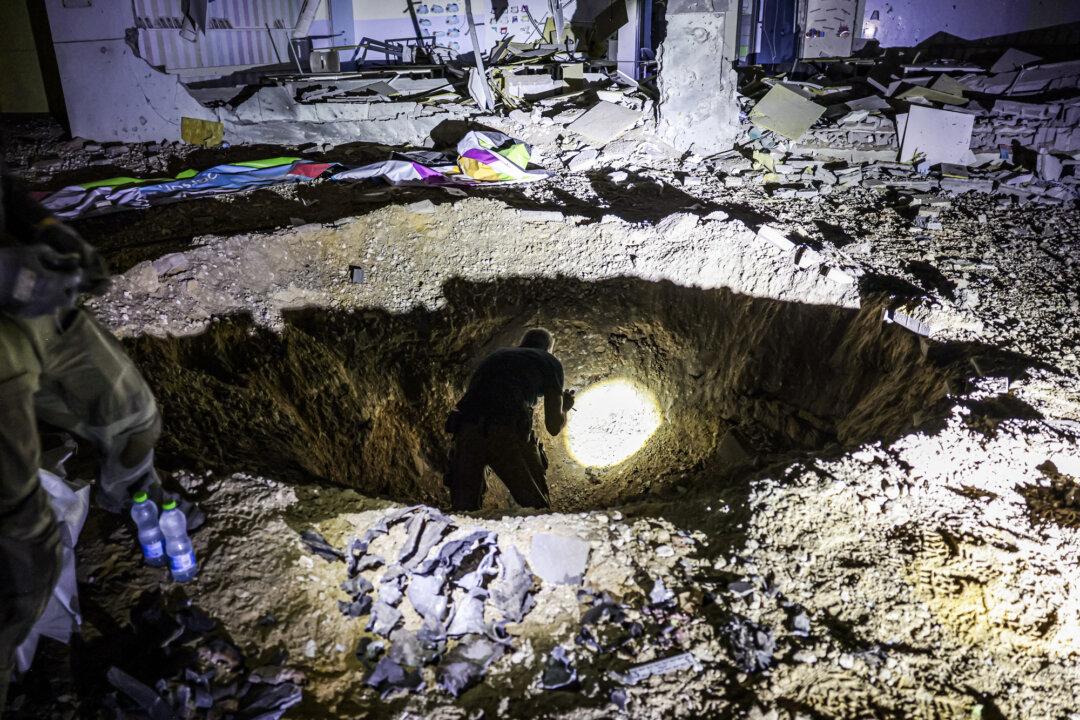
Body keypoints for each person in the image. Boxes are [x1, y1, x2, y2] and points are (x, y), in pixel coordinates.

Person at [0, 169, 195, 714]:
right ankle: (25, 665)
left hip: (28, 303)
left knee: (130, 415)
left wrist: (41, 226)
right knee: (23, 539)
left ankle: (132, 504)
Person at [444, 327, 575, 511]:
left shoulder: (496, 356)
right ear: (548, 349)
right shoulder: (549, 361)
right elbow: (553, 425)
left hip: (466, 428)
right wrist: (565, 408)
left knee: (464, 511)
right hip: (505, 431)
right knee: (538, 510)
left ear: (522, 344)